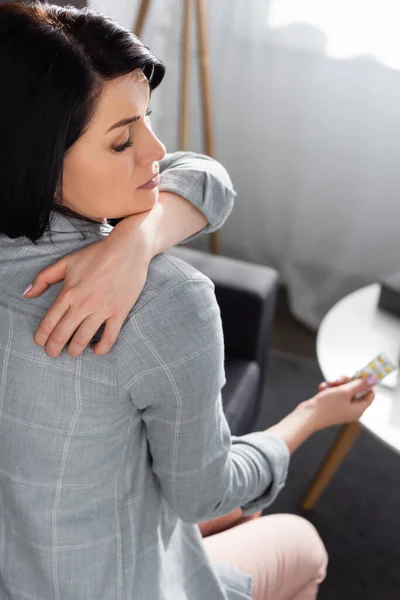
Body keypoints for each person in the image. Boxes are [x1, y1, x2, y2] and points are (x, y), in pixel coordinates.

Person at [0, 3, 378, 599]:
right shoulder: (162, 305)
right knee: (300, 543)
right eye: (123, 141)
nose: (156, 153)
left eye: (148, 121)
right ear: (36, 158)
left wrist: (136, 237)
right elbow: (203, 494)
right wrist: (309, 417)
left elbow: (204, 174)